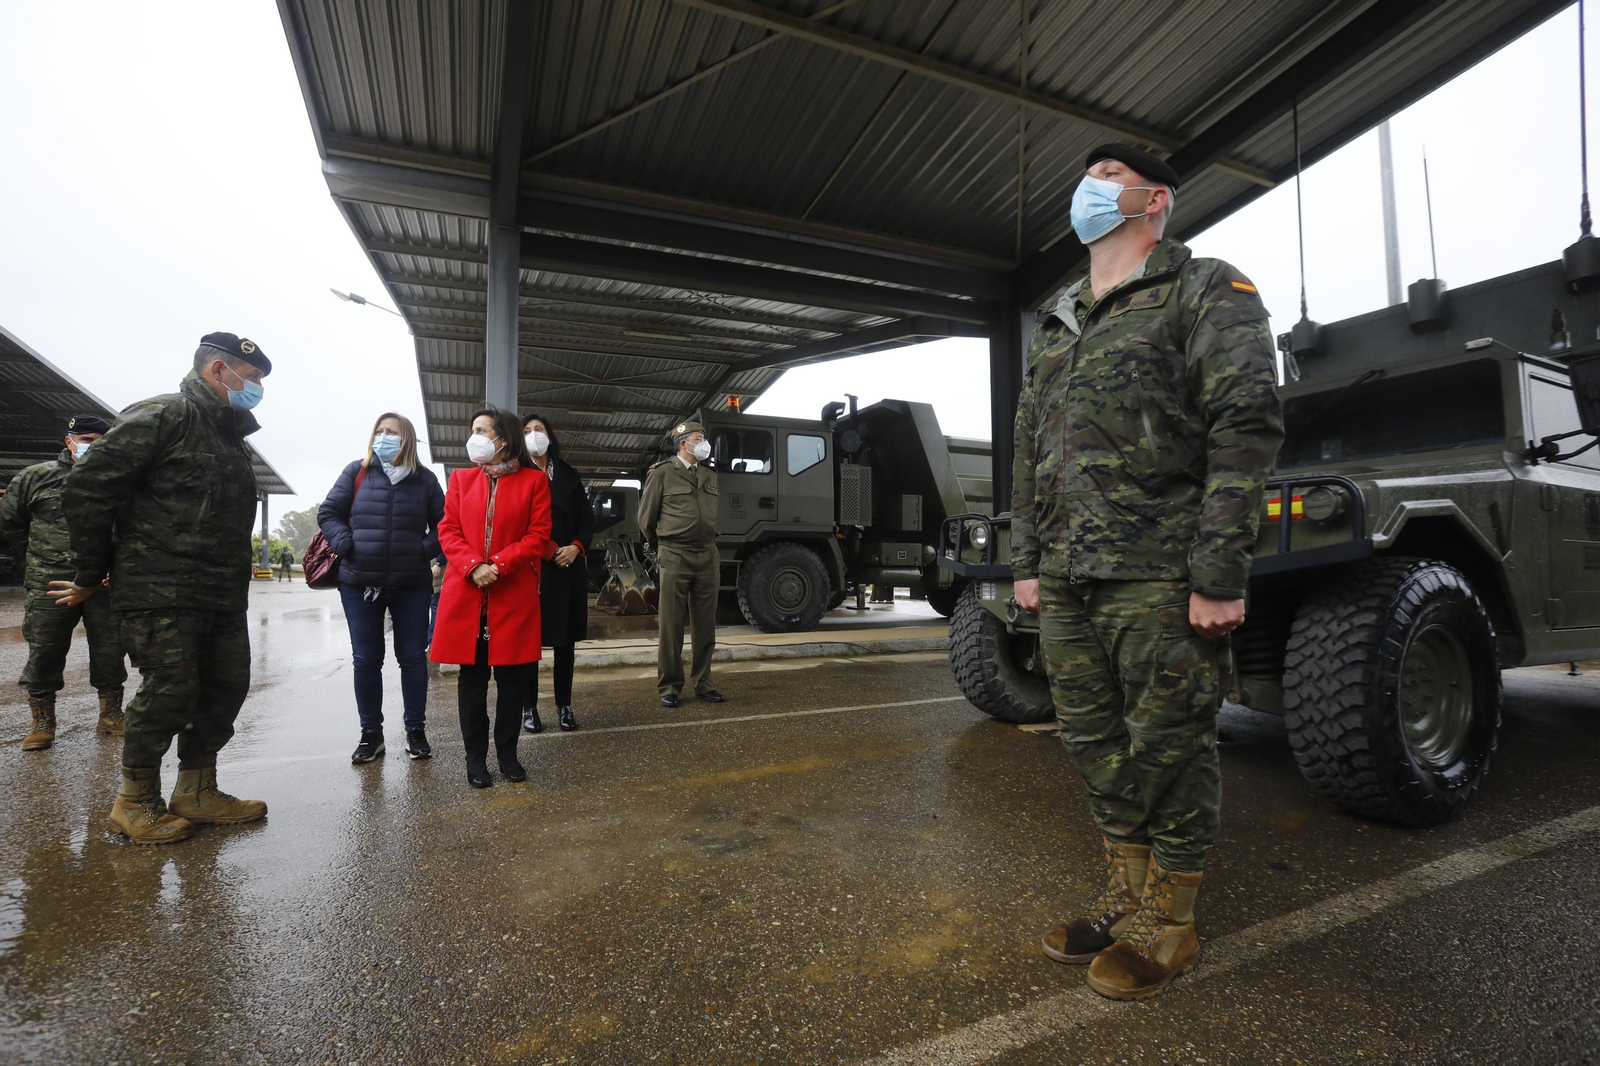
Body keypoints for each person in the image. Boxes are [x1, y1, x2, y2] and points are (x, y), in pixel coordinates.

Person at [1012, 144, 1283, 1000]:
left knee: (1169, 744)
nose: (1087, 187)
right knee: (1094, 741)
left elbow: (1244, 425)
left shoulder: (1205, 288)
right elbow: (1028, 448)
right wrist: (1027, 564)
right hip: (1065, 576)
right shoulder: (1057, 316)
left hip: (1159, 572)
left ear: (1153, 198)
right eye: (1084, 174)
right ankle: (1127, 895)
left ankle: (1173, 923)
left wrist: (1219, 571)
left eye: (1106, 175)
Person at [53, 333, 277, 845]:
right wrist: (93, 571)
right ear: (219, 369)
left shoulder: (229, 434)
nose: (257, 390)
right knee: (169, 690)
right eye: (254, 379)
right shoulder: (162, 415)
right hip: (160, 586)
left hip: (219, 591)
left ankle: (196, 791)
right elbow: (89, 488)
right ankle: (134, 803)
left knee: (224, 686)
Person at [429, 408, 552, 788]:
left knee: (513, 680)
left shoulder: (534, 482)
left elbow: (538, 535)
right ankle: (474, 759)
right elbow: (447, 529)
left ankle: (508, 753)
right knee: (473, 680)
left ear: (504, 438)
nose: (475, 437)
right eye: (473, 430)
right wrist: (471, 565)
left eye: (482, 430)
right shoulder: (461, 480)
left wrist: (497, 564)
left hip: (511, 592)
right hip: (468, 592)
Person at [318, 413, 445, 764]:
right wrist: (347, 544)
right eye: (380, 431)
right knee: (366, 660)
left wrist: (422, 551)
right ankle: (370, 734)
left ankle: (415, 730)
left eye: (393, 432)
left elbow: (446, 525)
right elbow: (328, 512)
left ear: (407, 440)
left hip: (411, 585)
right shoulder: (356, 472)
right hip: (359, 584)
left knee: (413, 659)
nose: (384, 436)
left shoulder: (426, 480)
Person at [0, 414, 127, 750]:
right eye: (87, 439)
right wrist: (40, 558)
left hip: (104, 583)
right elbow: (11, 525)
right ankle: (42, 722)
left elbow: (132, 530)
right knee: (45, 650)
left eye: (102, 439)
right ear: (68, 440)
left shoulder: (119, 480)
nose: (94, 445)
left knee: (111, 649)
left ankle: (111, 714)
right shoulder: (35, 477)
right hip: (50, 581)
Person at [638, 421, 723, 708]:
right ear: (683, 443)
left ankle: (704, 683)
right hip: (674, 553)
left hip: (707, 554)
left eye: (704, 438)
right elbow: (645, 519)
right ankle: (671, 686)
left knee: (705, 624)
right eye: (699, 439)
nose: (704, 444)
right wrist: (660, 548)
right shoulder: (662, 473)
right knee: (671, 624)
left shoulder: (710, 476)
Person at [520, 414, 595, 734]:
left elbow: (586, 520)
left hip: (568, 568)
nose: (533, 435)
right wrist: (549, 550)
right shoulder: (518, 474)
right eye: (526, 431)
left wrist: (576, 546)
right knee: (528, 643)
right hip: (533, 569)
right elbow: (517, 523)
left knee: (565, 643)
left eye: (539, 429)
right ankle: (528, 707)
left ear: (550, 436)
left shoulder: (567, 473)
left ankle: (564, 705)